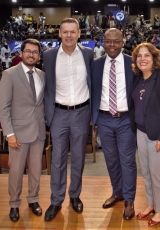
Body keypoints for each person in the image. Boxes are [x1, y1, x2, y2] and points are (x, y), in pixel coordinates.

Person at [43, 18, 93, 221]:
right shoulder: (49, 56)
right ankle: (56, 200)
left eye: (73, 31)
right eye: (65, 32)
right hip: (58, 114)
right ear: (60, 34)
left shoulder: (88, 55)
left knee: (79, 159)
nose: (69, 35)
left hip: (81, 113)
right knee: (57, 160)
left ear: (79, 33)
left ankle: (75, 195)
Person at [91, 28, 137, 220]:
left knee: (127, 161)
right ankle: (117, 192)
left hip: (126, 118)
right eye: (108, 41)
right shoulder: (95, 65)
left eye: (116, 41)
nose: (112, 45)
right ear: (103, 42)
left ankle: (129, 199)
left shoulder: (132, 63)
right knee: (111, 161)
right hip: (103, 118)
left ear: (122, 42)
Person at [129, 42, 160, 227]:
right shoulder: (138, 78)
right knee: (146, 173)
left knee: (156, 174)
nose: (142, 59)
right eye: (139, 56)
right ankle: (150, 204)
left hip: (159, 135)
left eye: (146, 55)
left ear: (154, 58)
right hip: (141, 131)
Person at [0, 39, 46, 222]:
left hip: (38, 132)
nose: (31, 54)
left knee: (36, 170)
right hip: (17, 133)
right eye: (28, 51)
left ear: (39, 56)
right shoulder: (9, 74)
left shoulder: (42, 75)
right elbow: (3, 107)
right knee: (16, 171)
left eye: (35, 52)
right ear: (21, 53)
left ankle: (33, 200)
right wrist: (9, 134)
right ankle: (14, 204)